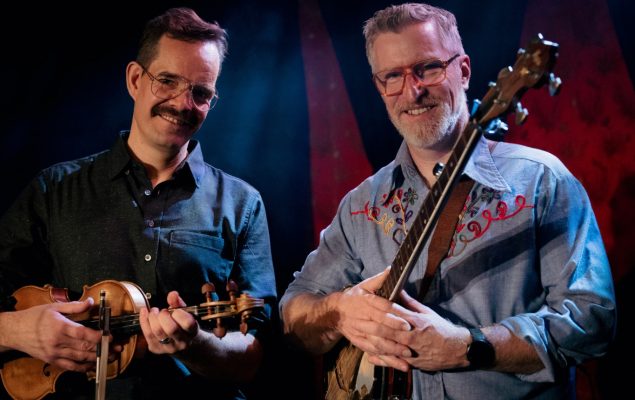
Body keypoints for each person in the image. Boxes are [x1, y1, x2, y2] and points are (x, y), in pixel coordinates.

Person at [280, 2, 616, 399]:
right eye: (393, 76)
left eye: (428, 68)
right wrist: (340, 312)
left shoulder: (541, 180)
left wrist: (467, 346)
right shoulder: (360, 206)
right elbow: (292, 316)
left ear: (464, 70)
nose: (413, 90)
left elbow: (590, 320)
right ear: (379, 87)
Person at [0, 7, 276, 400]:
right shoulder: (53, 190)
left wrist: (197, 344)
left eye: (201, 93)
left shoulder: (242, 203)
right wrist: (16, 330)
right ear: (134, 79)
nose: (183, 104)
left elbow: (255, 356)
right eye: (167, 81)